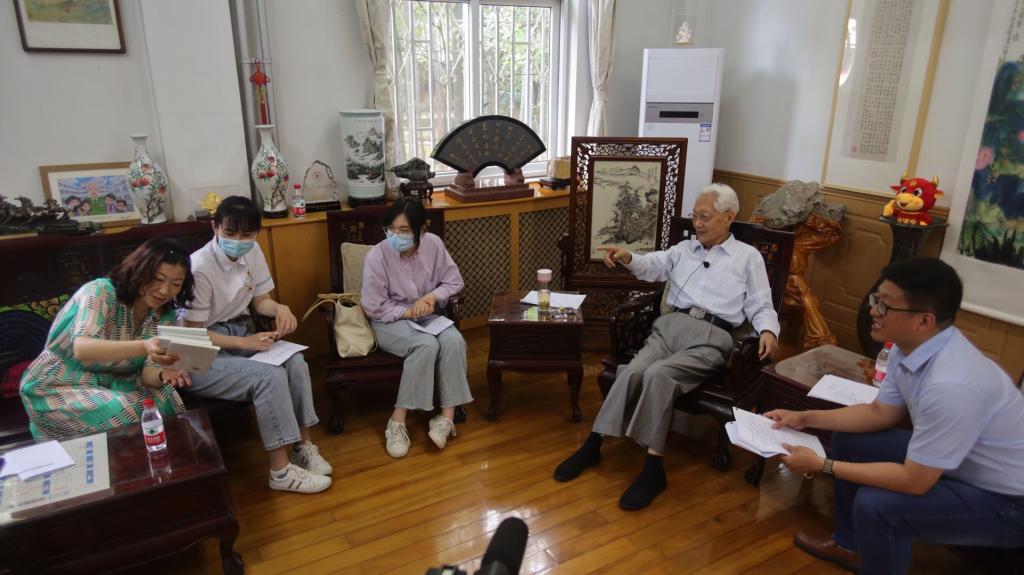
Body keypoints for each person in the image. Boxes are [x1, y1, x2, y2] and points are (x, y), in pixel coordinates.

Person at [768, 257, 1024, 574]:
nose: (873, 311)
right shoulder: (910, 347)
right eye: (876, 300)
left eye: (885, 306)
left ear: (924, 321)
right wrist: (804, 418)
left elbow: (914, 482)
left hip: (1007, 501)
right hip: (958, 462)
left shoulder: (951, 386)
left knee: (876, 506)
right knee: (851, 439)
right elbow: (879, 413)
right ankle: (850, 545)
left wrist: (823, 465)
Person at [553, 183, 780, 510]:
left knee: (659, 375)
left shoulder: (748, 258)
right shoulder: (684, 249)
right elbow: (653, 265)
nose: (697, 223)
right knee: (632, 371)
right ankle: (593, 444)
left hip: (711, 336)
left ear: (729, 217)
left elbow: (762, 304)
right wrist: (628, 256)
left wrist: (768, 331)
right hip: (669, 328)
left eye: (704, 217)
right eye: (695, 216)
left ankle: (653, 468)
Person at [183, 196, 333, 494]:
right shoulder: (199, 267)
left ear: (257, 233)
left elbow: (260, 300)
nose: (238, 241)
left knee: (295, 361)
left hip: (239, 333)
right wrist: (244, 341)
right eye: (230, 233)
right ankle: (280, 472)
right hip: (199, 350)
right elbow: (193, 333)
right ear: (215, 227)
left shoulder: (252, 251)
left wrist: (280, 309)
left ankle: (303, 446)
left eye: (247, 234)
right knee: (269, 375)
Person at [20, 238, 193, 439]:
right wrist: (145, 346)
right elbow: (82, 348)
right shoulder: (101, 291)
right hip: (58, 383)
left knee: (166, 399)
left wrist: (164, 374)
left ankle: (162, 457)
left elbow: (148, 373)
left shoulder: (165, 316)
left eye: (176, 284)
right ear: (139, 271)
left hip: (118, 382)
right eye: (157, 278)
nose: (165, 290)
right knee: (124, 410)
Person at [361, 197, 471, 458]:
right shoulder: (377, 256)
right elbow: (374, 307)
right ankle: (397, 420)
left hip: (427, 316)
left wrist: (432, 297)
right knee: (425, 344)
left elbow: (454, 281)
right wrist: (408, 311)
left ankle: (446, 418)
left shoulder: (433, 244)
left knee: (454, 340)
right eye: (391, 229)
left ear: (422, 229)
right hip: (390, 320)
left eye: (404, 230)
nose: (395, 236)